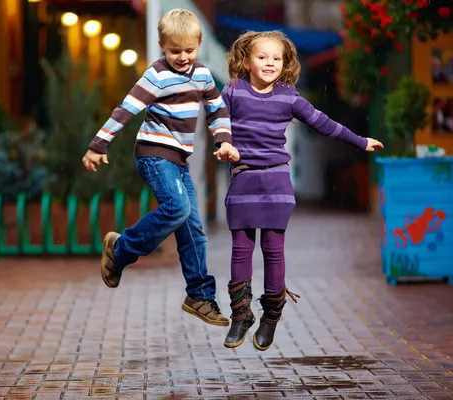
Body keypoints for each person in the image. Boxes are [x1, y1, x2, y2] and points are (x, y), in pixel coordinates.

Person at [220, 31, 383, 350]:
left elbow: (323, 122)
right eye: (262, 57)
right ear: (246, 60)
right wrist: (223, 143)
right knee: (240, 249)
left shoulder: (289, 97)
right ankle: (241, 315)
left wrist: (360, 141)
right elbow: (217, 120)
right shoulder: (233, 91)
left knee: (272, 249)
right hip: (243, 179)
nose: (269, 63)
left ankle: (270, 318)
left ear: (286, 63)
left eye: (276, 58)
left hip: (277, 182)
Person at [82, 9, 240, 326]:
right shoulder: (156, 76)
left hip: (179, 161)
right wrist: (99, 144)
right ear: (161, 46)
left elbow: (216, 110)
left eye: (189, 51)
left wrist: (223, 140)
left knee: (194, 231)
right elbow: (126, 109)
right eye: (174, 51)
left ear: (198, 46)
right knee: (178, 208)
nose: (182, 57)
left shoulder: (203, 75)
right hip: (154, 155)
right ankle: (121, 249)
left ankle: (199, 295)